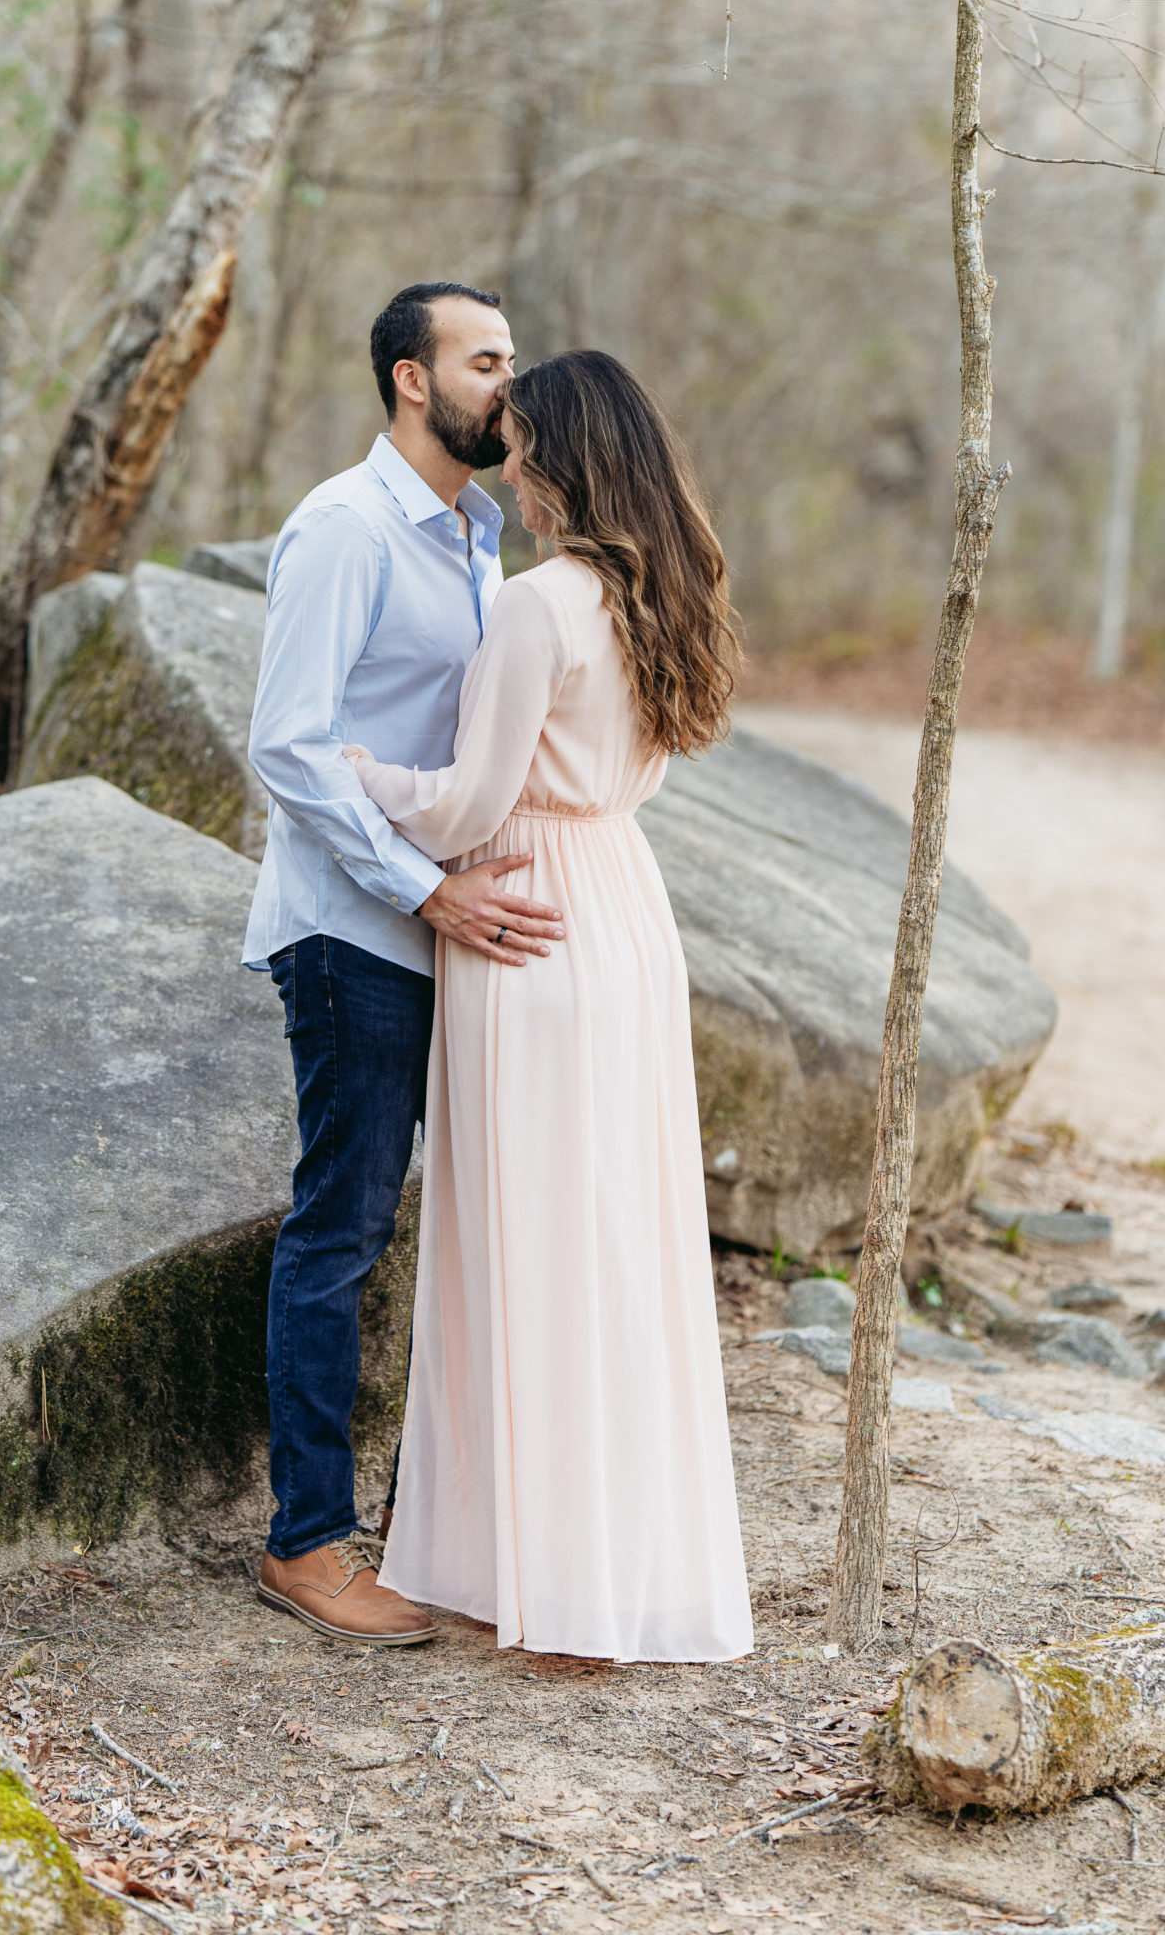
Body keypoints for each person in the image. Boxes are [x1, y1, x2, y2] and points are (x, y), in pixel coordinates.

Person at [345, 351, 753, 1663]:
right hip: (624, 911)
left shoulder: (541, 607)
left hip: (526, 923)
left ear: (569, 459)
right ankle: (603, 1567)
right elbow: (637, 774)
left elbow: (467, 804)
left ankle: (549, 1578)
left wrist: (366, 777)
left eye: (521, 450)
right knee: (615, 1245)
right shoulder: (672, 593)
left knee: (524, 1246)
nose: (508, 474)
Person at [243, 281, 565, 1648]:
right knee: (341, 1230)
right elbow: (289, 747)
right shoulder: (345, 528)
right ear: (410, 381)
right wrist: (423, 888)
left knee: (458, 1232)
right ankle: (307, 1544)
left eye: (513, 358)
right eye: (486, 362)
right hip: (353, 933)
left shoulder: (479, 535)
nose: (512, 383)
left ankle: (446, 1527)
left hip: (446, 926)